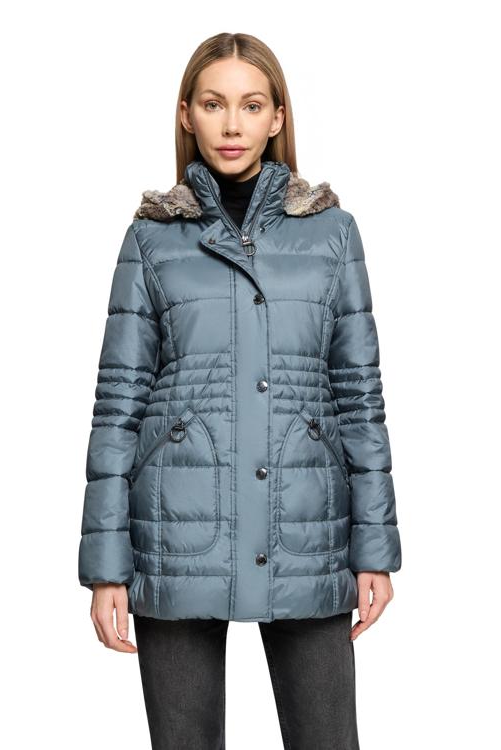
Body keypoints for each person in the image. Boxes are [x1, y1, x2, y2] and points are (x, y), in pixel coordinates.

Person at [78, 31, 402, 750]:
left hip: (306, 529)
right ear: (186, 113)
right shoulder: (151, 240)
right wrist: (106, 569)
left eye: (251, 105)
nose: (232, 124)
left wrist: (374, 548)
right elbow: (118, 405)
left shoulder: (332, 234)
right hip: (175, 534)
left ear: (278, 117)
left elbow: (359, 396)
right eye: (213, 103)